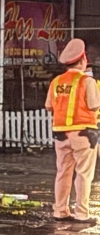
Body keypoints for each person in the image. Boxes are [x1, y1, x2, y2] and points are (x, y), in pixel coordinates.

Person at [46, 37, 100, 225]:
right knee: (84, 174)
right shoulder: (87, 81)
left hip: (60, 134)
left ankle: (60, 211)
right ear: (83, 59)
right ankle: (81, 214)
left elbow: (48, 106)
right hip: (84, 134)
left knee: (63, 172)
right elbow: (94, 106)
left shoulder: (56, 81)